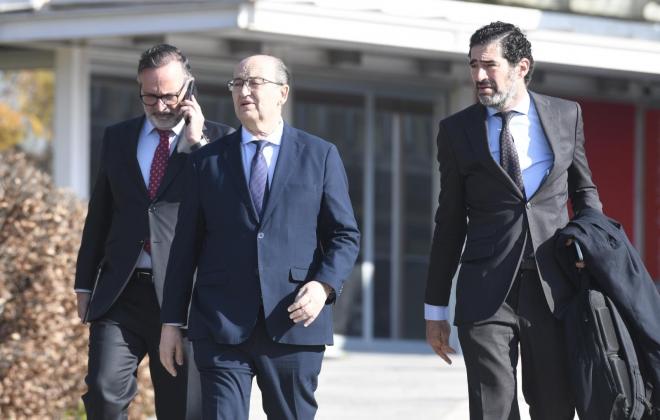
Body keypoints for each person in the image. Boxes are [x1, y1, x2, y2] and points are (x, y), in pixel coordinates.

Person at [158, 54, 360, 420]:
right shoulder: (207, 161)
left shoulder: (320, 155)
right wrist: (171, 322)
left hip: (293, 321)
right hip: (220, 323)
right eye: (237, 83)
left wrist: (323, 286)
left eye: (254, 82)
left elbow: (345, 235)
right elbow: (185, 247)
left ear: (283, 93)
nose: (244, 91)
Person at [424, 21, 602, 420]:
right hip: (486, 292)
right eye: (473, 65)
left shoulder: (565, 115)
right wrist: (435, 308)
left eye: (489, 64)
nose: (479, 76)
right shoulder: (456, 131)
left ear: (522, 66)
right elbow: (449, 221)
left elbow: (584, 192)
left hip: (554, 287)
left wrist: (595, 253)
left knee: (555, 406)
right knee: (492, 410)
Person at [74, 44, 234, 419]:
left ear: (189, 87)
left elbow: (226, 213)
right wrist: (84, 283)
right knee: (102, 393)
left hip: (183, 298)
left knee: (180, 408)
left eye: (169, 96)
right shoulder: (118, 137)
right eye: (150, 97)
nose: (161, 106)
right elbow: (100, 213)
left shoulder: (220, 142)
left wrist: (198, 146)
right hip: (121, 292)